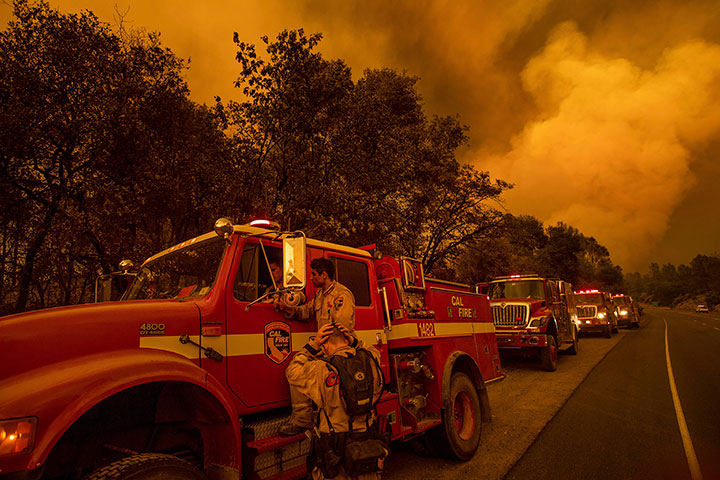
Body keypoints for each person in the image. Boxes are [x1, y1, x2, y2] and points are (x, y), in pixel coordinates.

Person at [285, 323, 386, 480]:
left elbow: (292, 371)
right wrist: (354, 340)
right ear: (346, 340)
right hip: (368, 448)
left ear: (324, 345)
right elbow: (372, 350)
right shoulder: (370, 359)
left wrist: (313, 345)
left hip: (336, 455)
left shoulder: (321, 368)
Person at [275, 258, 357, 435]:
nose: (310, 278)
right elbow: (308, 311)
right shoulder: (321, 295)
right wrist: (288, 308)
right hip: (326, 348)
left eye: (313, 274)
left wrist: (323, 347)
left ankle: (310, 420)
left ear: (324, 274)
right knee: (298, 370)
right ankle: (304, 418)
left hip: (339, 351)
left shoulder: (342, 295)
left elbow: (341, 327)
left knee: (298, 369)